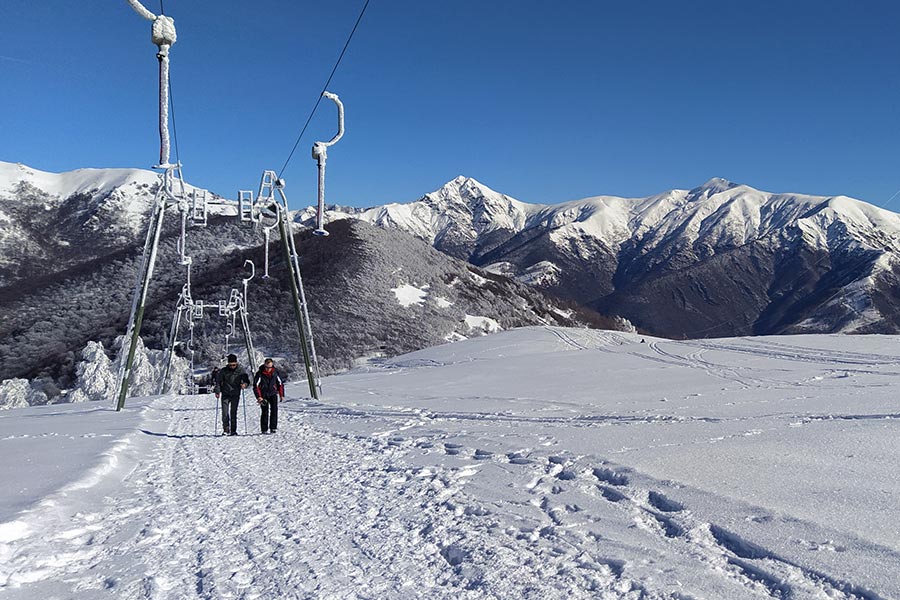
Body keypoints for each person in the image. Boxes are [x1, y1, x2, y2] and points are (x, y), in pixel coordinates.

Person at [214, 354, 250, 436]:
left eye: (234, 364)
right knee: (225, 412)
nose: (232, 366)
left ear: (236, 363)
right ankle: (226, 429)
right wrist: (217, 391)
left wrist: (244, 384)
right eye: (230, 365)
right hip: (225, 393)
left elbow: (246, 381)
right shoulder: (223, 371)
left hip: (235, 394)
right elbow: (219, 382)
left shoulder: (241, 371)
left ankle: (233, 430)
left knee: (233, 412)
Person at [253, 358, 285, 434]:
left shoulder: (275, 372)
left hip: (273, 393)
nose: (268, 369)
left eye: (270, 367)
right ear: (264, 366)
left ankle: (273, 427)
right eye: (267, 367)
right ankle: (264, 429)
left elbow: (280, 384)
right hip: (263, 395)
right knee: (265, 411)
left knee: (274, 410)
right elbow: (256, 386)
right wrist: (259, 397)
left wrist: (281, 395)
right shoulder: (260, 374)